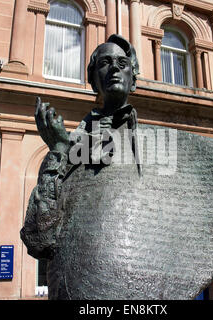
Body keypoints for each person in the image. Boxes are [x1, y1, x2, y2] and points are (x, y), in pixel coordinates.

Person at [20, 34, 141, 260]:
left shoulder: (154, 144)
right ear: (94, 81)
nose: (114, 67)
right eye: (105, 63)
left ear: (133, 79)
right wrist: (57, 150)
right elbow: (40, 240)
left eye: (122, 64)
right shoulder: (74, 146)